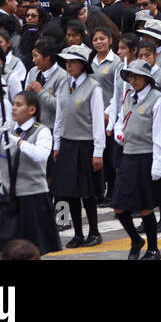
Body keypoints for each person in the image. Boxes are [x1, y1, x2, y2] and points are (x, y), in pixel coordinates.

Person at [0, 90, 61, 258]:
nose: (13, 109)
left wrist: (18, 141)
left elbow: (40, 155)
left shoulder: (41, 132)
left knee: (31, 251)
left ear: (32, 110)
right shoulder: (8, 128)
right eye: (13, 104)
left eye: (19, 105)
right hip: (6, 196)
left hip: (32, 196)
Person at [111, 59, 161, 260]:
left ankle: (153, 248)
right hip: (128, 155)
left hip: (146, 157)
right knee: (119, 205)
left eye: (137, 76)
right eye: (130, 76)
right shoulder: (129, 96)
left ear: (147, 79)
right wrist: (119, 133)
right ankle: (136, 239)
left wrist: (158, 164)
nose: (133, 80)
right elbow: (121, 119)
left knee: (145, 206)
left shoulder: (157, 99)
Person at [52, 44, 105, 249]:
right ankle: (78, 233)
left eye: (73, 61)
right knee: (69, 191)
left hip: (85, 145)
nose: (69, 65)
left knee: (87, 191)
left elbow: (98, 122)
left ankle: (94, 231)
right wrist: (57, 144)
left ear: (83, 64)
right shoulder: (63, 85)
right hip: (67, 143)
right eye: (66, 61)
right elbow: (59, 118)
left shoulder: (94, 87)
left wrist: (98, 151)